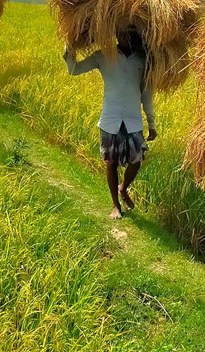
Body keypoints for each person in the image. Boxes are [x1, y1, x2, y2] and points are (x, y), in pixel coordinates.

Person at [64, 29, 157, 219]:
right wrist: (69, 46)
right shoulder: (104, 55)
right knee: (111, 162)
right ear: (116, 34)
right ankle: (116, 205)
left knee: (137, 161)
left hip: (133, 118)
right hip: (110, 117)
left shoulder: (143, 60)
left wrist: (152, 123)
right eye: (123, 33)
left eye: (131, 34)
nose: (126, 37)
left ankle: (123, 188)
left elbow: (146, 93)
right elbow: (74, 69)